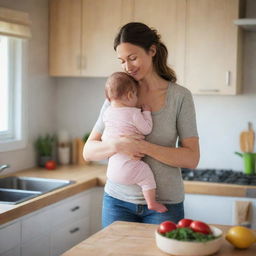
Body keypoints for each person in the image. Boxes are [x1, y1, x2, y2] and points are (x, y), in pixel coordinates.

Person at [83, 22, 200, 227]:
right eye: (122, 61)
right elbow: (88, 151)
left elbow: (192, 158)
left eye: (133, 57)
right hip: (117, 201)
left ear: (152, 51)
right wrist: (118, 145)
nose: (127, 67)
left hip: (165, 206)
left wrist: (143, 147)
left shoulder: (179, 97)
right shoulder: (118, 94)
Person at [102, 71, 167, 213]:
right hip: (129, 168)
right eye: (136, 95)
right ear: (130, 95)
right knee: (146, 175)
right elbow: (146, 129)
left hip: (112, 172)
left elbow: (105, 137)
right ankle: (152, 202)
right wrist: (146, 113)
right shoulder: (133, 113)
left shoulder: (107, 113)